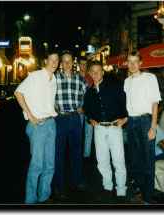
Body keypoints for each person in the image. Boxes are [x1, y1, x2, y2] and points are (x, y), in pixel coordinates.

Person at [14, 49, 60, 204]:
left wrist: (52, 106)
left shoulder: (53, 79)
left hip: (51, 124)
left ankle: (44, 195)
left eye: (56, 60)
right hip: (38, 125)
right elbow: (18, 93)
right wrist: (31, 115)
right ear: (45, 61)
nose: (54, 63)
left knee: (50, 165)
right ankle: (30, 200)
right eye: (51, 59)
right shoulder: (36, 76)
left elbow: (47, 98)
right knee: (37, 166)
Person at [83, 61, 128, 204]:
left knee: (118, 160)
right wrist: (91, 119)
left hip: (114, 127)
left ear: (103, 72)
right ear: (90, 73)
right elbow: (87, 109)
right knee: (102, 161)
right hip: (100, 129)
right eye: (93, 71)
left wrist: (124, 118)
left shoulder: (114, 87)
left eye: (98, 70)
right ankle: (107, 187)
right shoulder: (89, 92)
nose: (96, 73)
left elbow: (125, 102)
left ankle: (121, 190)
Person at [124, 51, 162, 204]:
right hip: (132, 122)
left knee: (148, 162)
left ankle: (147, 199)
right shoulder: (127, 82)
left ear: (140, 63)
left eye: (135, 61)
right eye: (130, 61)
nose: (132, 64)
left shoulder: (150, 78)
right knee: (134, 163)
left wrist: (153, 127)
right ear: (127, 63)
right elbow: (130, 105)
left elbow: (155, 103)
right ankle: (144, 192)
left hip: (146, 122)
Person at [54, 50, 89, 199]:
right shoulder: (54, 78)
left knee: (76, 152)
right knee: (59, 153)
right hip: (60, 118)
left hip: (75, 119)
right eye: (65, 61)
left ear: (73, 63)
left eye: (70, 61)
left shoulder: (80, 80)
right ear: (61, 63)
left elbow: (88, 96)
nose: (67, 64)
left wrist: (84, 107)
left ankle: (78, 181)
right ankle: (58, 184)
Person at [76, 56, 94, 158]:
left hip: (89, 104)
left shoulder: (90, 76)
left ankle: (87, 154)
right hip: (78, 105)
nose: (83, 66)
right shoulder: (74, 76)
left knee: (89, 131)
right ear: (79, 65)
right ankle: (77, 152)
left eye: (85, 64)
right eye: (81, 64)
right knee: (78, 130)